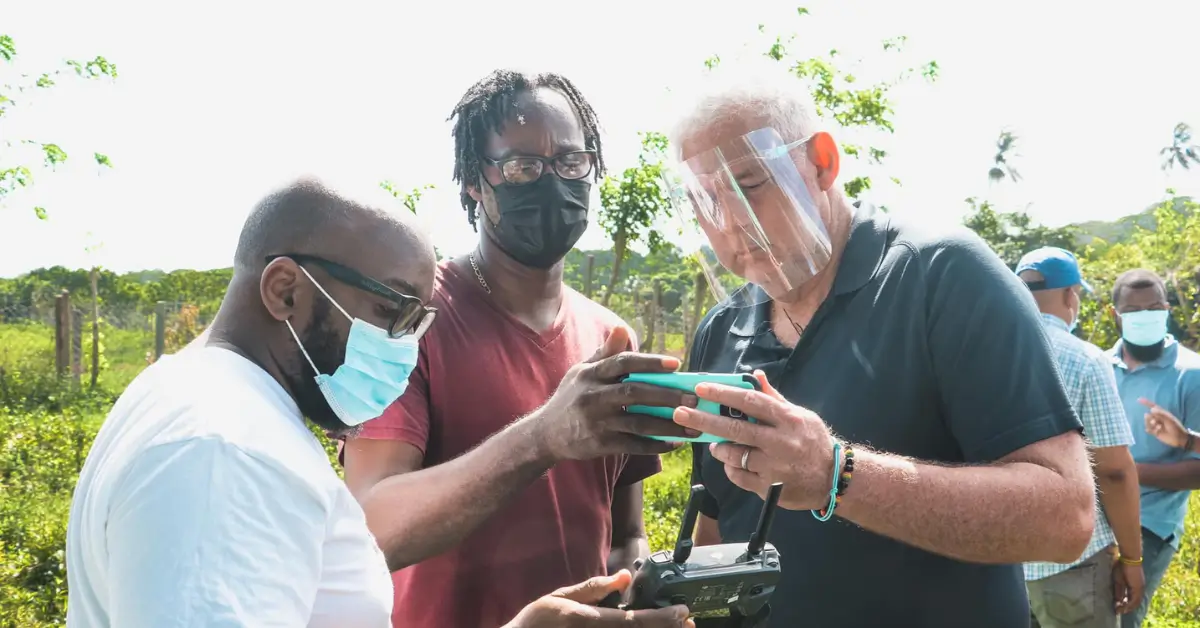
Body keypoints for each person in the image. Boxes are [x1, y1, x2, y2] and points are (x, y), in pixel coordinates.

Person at [64, 178, 694, 628]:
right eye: (390, 311)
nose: (405, 346)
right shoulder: (222, 455)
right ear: (285, 290)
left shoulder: (208, 405)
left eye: (419, 322)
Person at [660, 61, 1096, 628]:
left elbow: (1066, 517)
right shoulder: (721, 330)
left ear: (821, 161)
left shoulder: (941, 276)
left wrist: (835, 475)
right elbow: (718, 520)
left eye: (749, 185)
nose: (731, 224)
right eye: (706, 201)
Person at [341, 69, 698, 628]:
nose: (552, 182)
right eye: (523, 166)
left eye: (571, 163)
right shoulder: (411, 320)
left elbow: (625, 533)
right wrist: (544, 437)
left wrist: (637, 592)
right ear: (473, 183)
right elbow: (367, 528)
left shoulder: (610, 335)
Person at [1014, 247, 1144, 628]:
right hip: (1074, 560)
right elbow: (1114, 472)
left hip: (1000, 564)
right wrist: (1133, 560)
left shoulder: (976, 356)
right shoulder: (1085, 359)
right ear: (1071, 295)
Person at [1105, 268, 1200, 628]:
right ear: (1115, 315)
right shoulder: (1097, 366)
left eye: (1154, 307)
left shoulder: (1191, 374)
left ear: (1167, 309)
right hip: (1094, 516)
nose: (1145, 317)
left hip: (1150, 524)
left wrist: (1123, 471)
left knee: (1119, 617)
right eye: (1133, 311)